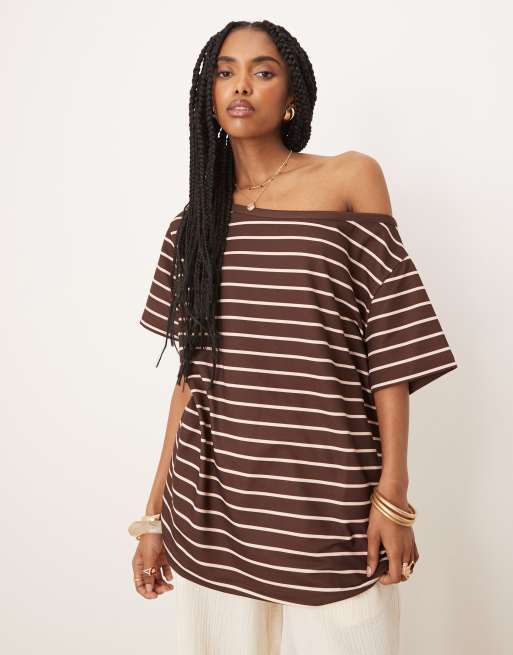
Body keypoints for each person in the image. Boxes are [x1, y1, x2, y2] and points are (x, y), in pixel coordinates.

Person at [129, 19, 457, 655]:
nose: (241, 85)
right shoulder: (193, 227)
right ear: (207, 95)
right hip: (213, 504)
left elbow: (390, 345)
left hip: (331, 496)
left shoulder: (350, 178)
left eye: (263, 71)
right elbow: (190, 382)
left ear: (292, 95)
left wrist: (393, 495)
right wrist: (152, 516)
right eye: (225, 72)